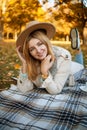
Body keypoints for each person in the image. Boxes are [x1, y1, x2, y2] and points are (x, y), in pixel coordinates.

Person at [16, 21, 84, 94]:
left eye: (40, 44)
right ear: (29, 52)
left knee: (80, 66)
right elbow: (24, 89)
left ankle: (78, 49)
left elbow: (55, 90)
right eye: (32, 49)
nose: (38, 51)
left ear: (46, 42)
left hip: (74, 70)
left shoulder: (63, 56)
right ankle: (78, 49)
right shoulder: (30, 61)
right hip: (67, 65)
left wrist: (44, 72)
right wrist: (25, 64)